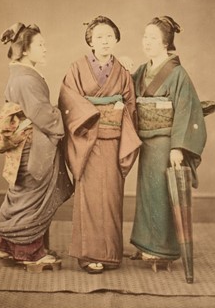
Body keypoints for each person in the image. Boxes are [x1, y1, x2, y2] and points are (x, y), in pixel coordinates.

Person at [59, 16, 141, 274]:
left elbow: (131, 104)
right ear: (90, 42)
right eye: (99, 37)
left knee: (112, 197)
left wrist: (120, 112)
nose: (104, 41)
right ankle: (89, 254)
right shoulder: (76, 68)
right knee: (91, 198)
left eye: (109, 36)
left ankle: (111, 253)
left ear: (116, 39)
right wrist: (95, 113)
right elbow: (68, 99)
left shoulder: (123, 71)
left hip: (114, 142)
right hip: (88, 142)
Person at [0, 22, 73, 272]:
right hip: (33, 142)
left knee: (21, 192)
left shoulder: (21, 73)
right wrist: (64, 118)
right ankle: (29, 252)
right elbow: (41, 114)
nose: (45, 49)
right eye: (40, 45)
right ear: (26, 50)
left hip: (25, 142)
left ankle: (6, 246)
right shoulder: (26, 79)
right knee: (33, 195)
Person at [130, 16, 207, 270]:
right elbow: (129, 93)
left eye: (153, 37)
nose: (147, 42)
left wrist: (177, 147)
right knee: (147, 193)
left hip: (165, 143)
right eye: (145, 36)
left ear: (166, 42)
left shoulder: (177, 74)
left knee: (162, 194)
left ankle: (162, 250)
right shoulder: (142, 70)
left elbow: (185, 111)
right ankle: (146, 245)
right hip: (146, 142)